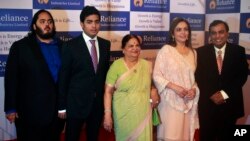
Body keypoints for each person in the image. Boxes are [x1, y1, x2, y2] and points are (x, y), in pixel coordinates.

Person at [4, 9, 65, 141]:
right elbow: (11, 78)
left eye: (49, 22)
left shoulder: (63, 46)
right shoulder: (20, 47)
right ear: (34, 26)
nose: (47, 25)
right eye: (42, 21)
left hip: (56, 114)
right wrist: (10, 108)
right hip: (29, 113)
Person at [57, 6, 111, 141]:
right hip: (75, 105)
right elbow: (63, 78)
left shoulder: (106, 44)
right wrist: (62, 107)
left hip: (97, 105)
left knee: (93, 137)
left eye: (97, 21)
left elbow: (104, 75)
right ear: (82, 24)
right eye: (89, 22)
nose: (94, 25)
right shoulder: (70, 46)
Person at [195, 20, 249, 141]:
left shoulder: (238, 51)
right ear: (210, 35)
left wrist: (224, 94)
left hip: (230, 106)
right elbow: (198, 77)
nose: (217, 36)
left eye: (221, 32)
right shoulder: (200, 52)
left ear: (227, 33)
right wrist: (211, 94)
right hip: (208, 106)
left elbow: (241, 76)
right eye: (214, 33)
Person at [103, 34, 159, 141]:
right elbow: (108, 92)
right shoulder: (116, 66)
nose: (135, 48)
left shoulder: (146, 65)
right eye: (130, 46)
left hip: (143, 111)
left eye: (137, 45)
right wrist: (107, 114)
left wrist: (153, 90)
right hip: (123, 113)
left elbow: (149, 84)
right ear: (123, 49)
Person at [153, 17, 199, 141]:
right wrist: (175, 87)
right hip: (170, 102)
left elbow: (193, 79)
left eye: (185, 29)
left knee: (185, 136)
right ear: (173, 33)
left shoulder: (193, 53)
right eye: (179, 30)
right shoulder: (166, 50)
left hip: (187, 103)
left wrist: (194, 90)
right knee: (171, 136)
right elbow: (156, 75)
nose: (183, 32)